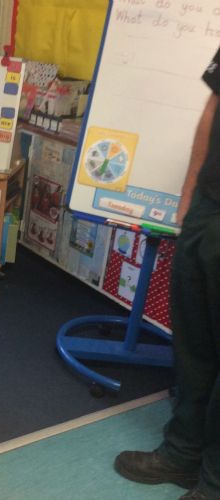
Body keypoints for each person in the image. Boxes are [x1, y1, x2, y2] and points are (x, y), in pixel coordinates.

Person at [114, 48, 220, 500]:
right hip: (210, 210)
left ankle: (214, 482)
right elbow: (215, 104)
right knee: (193, 346)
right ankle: (182, 455)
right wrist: (191, 193)